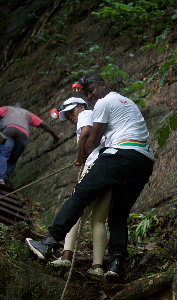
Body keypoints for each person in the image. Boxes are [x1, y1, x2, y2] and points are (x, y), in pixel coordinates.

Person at [25, 73, 155, 280]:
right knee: (118, 213)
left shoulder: (104, 103)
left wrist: (82, 156)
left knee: (80, 195)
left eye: (92, 90)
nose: (91, 96)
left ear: (103, 85)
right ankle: (116, 263)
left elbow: (92, 139)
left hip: (120, 155)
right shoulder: (128, 102)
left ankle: (50, 241)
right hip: (144, 161)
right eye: (87, 93)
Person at [48, 97, 110, 277]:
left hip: (93, 168)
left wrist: (79, 156)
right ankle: (97, 267)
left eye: (70, 112)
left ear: (81, 106)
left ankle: (66, 256)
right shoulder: (99, 117)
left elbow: (85, 133)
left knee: (76, 211)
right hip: (109, 167)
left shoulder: (86, 113)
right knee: (98, 219)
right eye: (67, 117)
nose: (70, 117)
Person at [0, 103, 60, 185]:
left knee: (3, 154)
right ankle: (4, 179)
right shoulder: (28, 114)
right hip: (23, 135)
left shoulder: (7, 108)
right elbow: (44, 125)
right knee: (12, 161)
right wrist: (56, 136)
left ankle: (1, 179)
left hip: (9, 130)